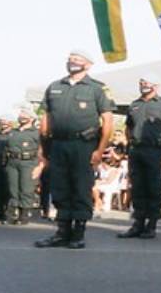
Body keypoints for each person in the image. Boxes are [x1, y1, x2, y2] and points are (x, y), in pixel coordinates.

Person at [33, 50, 115, 250]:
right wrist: (43, 147)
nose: (73, 62)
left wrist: (99, 150)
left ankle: (78, 233)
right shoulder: (55, 86)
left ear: (88, 65)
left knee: (80, 187)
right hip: (58, 144)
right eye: (70, 59)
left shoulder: (97, 88)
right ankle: (62, 231)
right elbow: (45, 118)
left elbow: (107, 121)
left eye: (78, 60)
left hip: (83, 145)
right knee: (59, 187)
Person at [118, 74, 161, 240]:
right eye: (141, 82)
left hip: (156, 151)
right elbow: (128, 127)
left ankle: (152, 225)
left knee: (153, 188)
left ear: (156, 85)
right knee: (137, 187)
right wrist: (130, 144)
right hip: (136, 150)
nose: (143, 85)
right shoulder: (134, 104)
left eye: (147, 82)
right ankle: (138, 223)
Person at [3, 109, 43, 225]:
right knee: (13, 188)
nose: (21, 117)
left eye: (25, 115)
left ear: (31, 118)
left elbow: (42, 150)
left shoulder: (36, 133)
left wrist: (40, 166)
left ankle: (24, 215)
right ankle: (11, 215)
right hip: (12, 161)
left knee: (26, 188)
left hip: (29, 162)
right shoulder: (13, 132)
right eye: (20, 115)